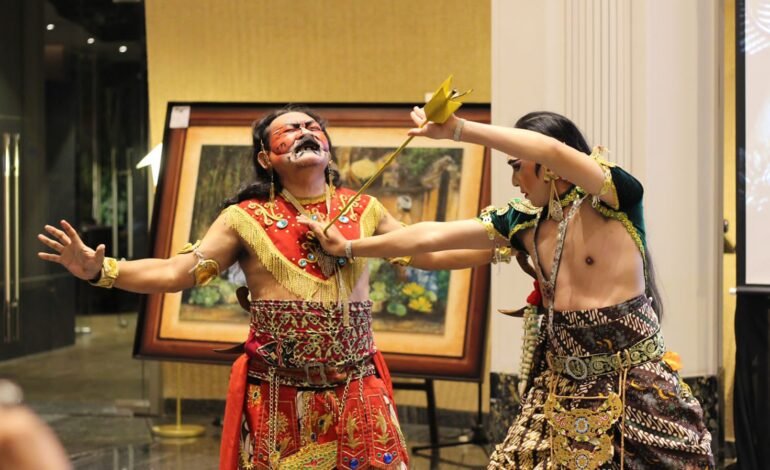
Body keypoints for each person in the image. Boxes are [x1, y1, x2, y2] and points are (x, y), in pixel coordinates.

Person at [37, 105, 493, 470]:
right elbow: (178, 273)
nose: (305, 132)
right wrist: (102, 271)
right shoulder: (246, 218)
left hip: (358, 387)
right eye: (290, 129)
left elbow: (430, 254)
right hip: (279, 392)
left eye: (313, 127)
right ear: (265, 157)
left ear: (329, 150)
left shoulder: (365, 210)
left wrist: (506, 246)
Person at [304, 107, 715, 469]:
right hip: (559, 389)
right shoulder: (522, 222)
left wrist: (460, 129)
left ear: (545, 164)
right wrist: (352, 246)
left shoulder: (614, 198)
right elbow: (429, 237)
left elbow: (552, 149)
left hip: (632, 386)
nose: (515, 178)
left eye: (518, 165)